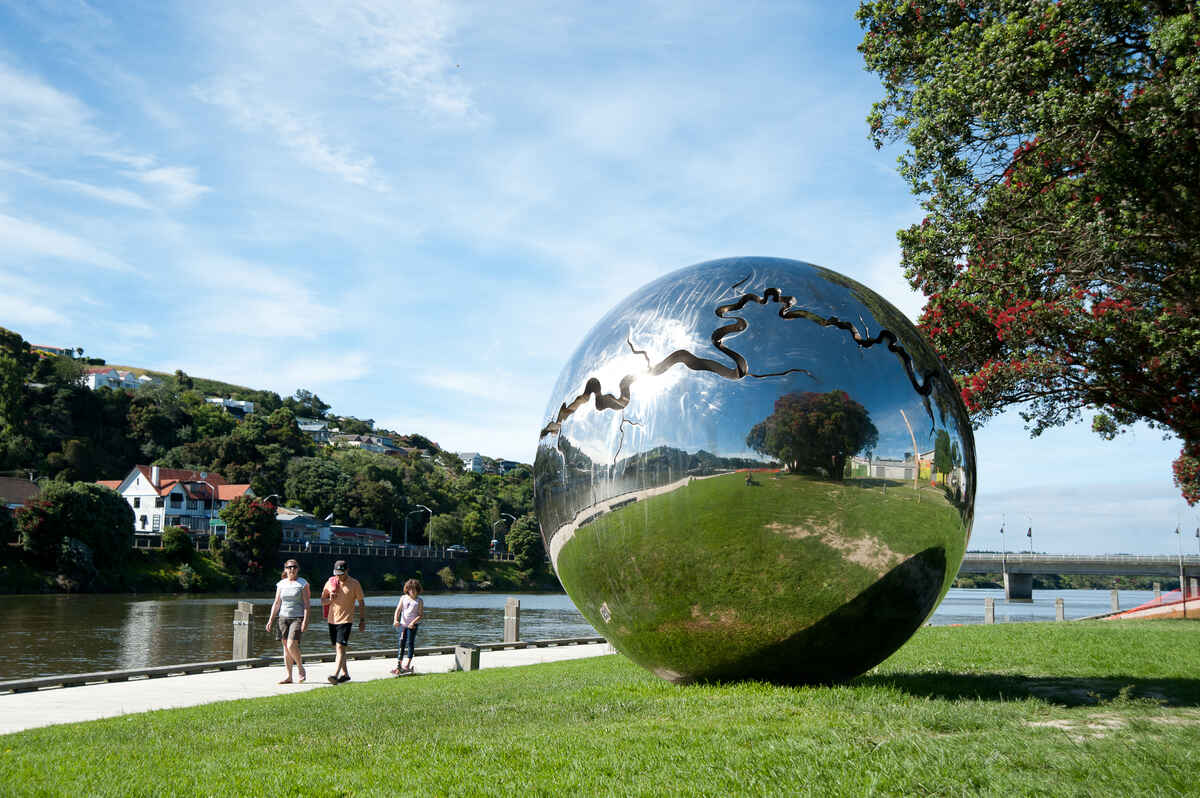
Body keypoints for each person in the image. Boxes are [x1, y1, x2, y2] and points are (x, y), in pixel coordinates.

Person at [265, 559, 310, 684]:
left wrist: (305, 620)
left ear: (298, 569)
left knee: (291, 644)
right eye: (289, 567)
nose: (292, 569)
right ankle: (289, 676)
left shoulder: (302, 583)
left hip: (297, 617)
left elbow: (307, 604)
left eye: (294, 567)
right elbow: (277, 603)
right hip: (282, 618)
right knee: (285, 648)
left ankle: (301, 668)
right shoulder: (281, 584)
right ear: (285, 569)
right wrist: (270, 620)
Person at [321, 560, 365, 684]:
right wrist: (329, 599)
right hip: (332, 620)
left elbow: (361, 602)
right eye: (337, 573)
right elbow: (322, 601)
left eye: (341, 573)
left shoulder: (354, 583)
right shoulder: (330, 582)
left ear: (347, 571)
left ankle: (335, 675)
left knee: (340, 647)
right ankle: (345, 674)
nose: (339, 576)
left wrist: (362, 620)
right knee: (339, 649)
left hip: (346, 620)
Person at [391, 579, 424, 675]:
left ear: (418, 590)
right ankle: (398, 666)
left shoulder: (419, 601)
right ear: (407, 590)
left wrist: (413, 623)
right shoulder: (403, 598)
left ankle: (407, 666)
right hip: (402, 625)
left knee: (410, 644)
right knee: (401, 644)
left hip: (412, 626)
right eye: (410, 589)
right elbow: (398, 610)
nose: (412, 591)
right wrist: (395, 620)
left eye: (414, 589)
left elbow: (420, 615)